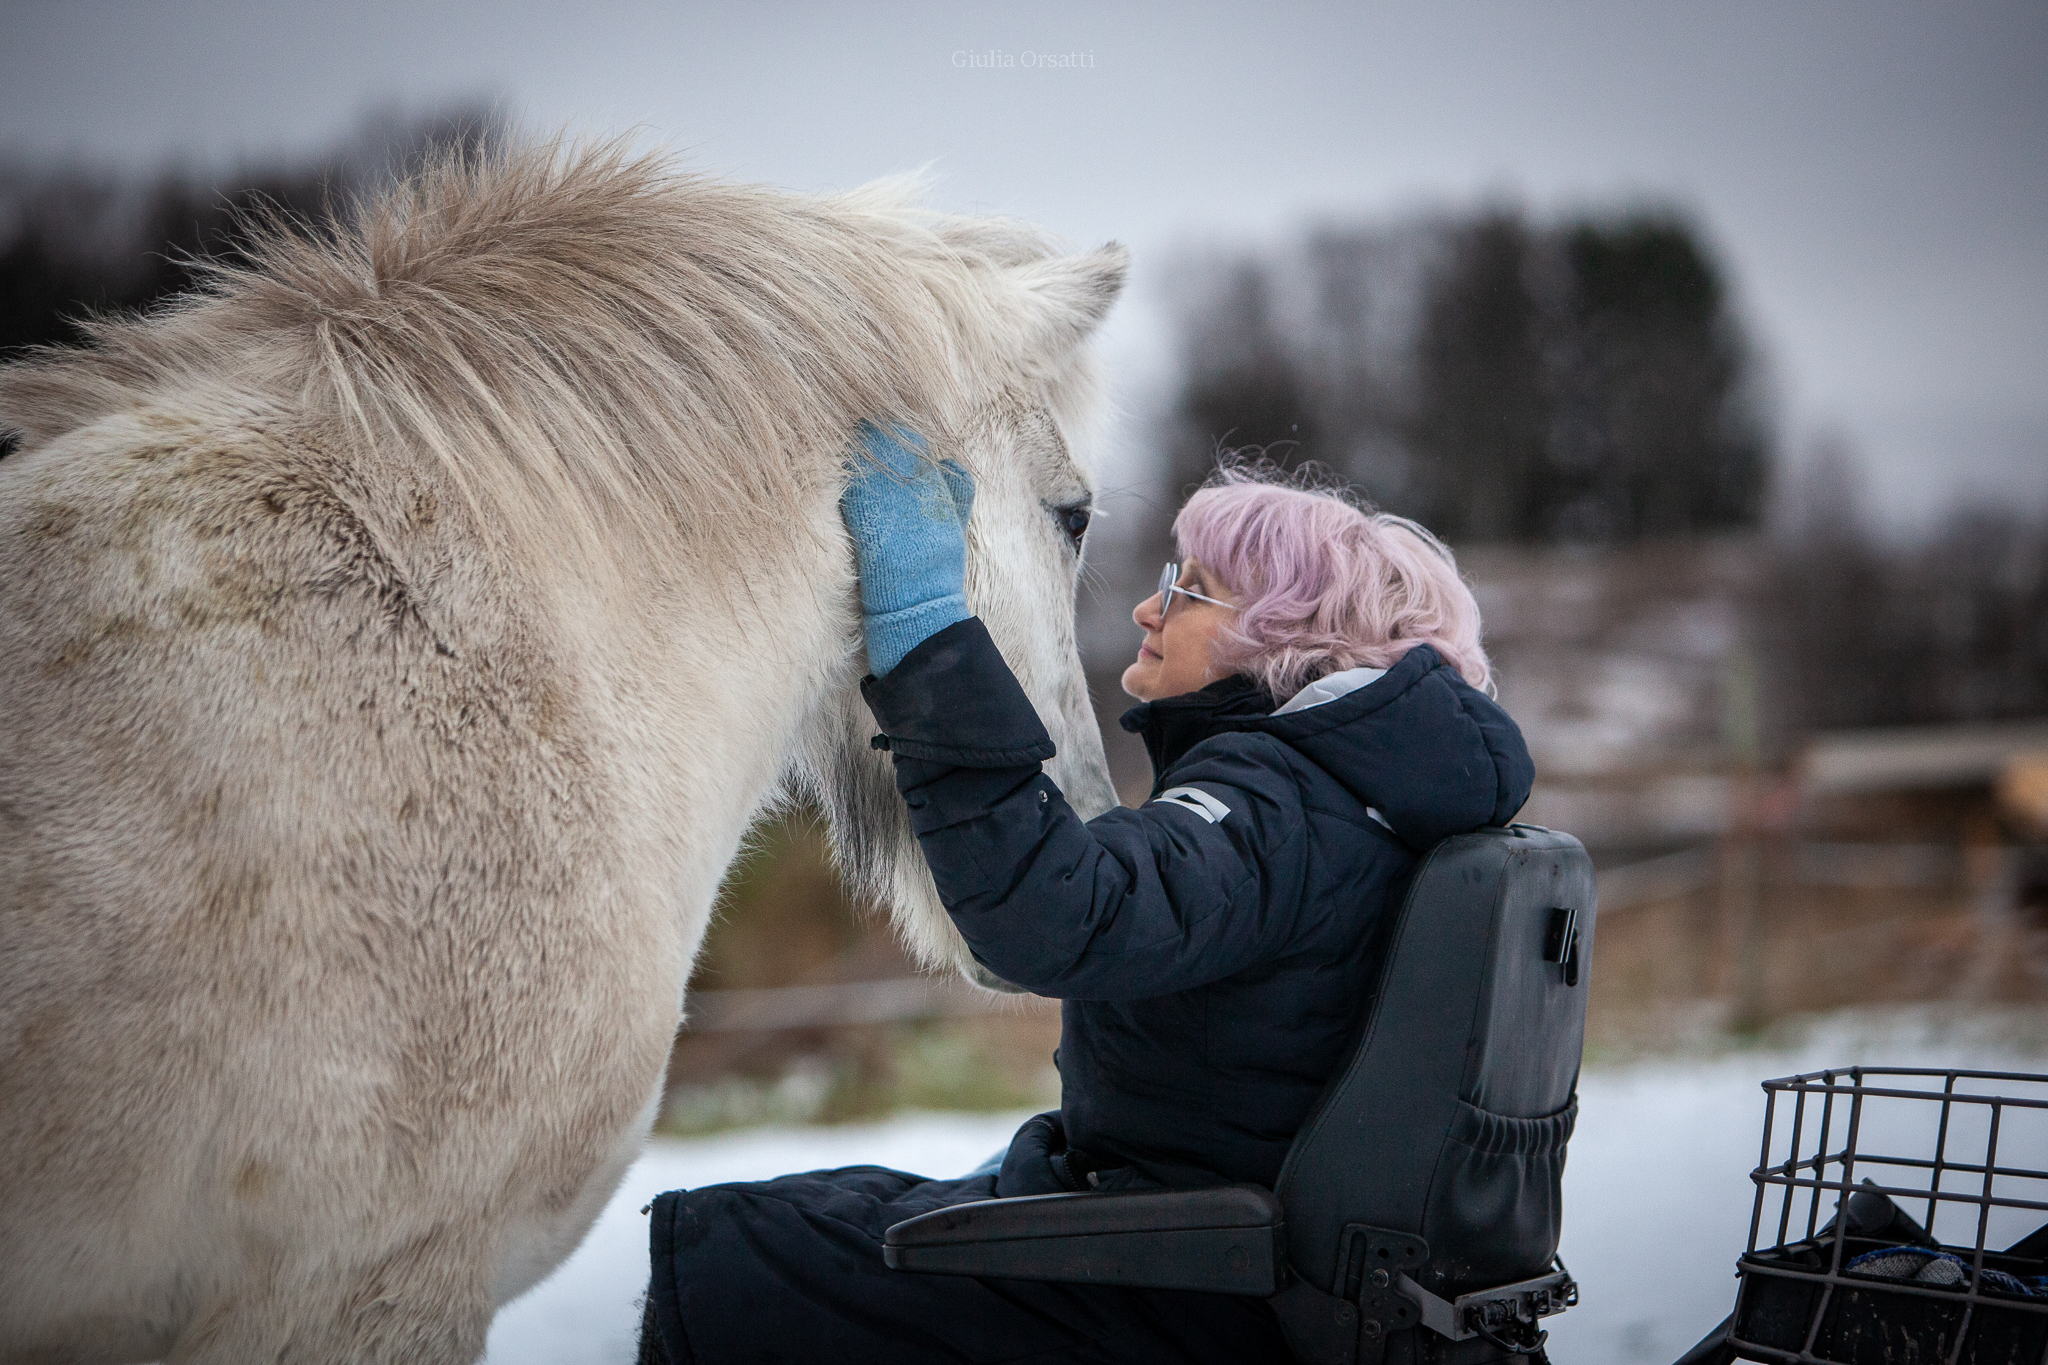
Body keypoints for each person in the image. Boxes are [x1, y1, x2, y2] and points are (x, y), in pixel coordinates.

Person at [640, 427, 1534, 1365]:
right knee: (813, 1221)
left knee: (729, 1260)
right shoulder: (1361, 802)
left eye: (1190, 587)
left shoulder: (1279, 804)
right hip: (1207, 1244)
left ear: (1281, 630)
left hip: (1192, 1290)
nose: (1150, 605)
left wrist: (929, 632)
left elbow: (1060, 908)